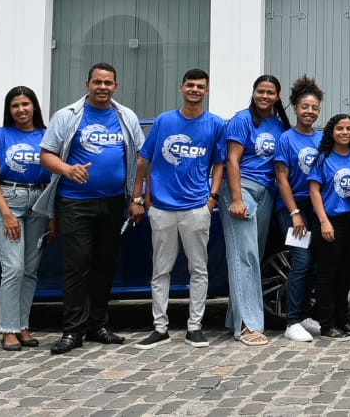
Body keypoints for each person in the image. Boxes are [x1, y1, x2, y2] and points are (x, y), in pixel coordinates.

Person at [36, 62, 145, 355]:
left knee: (104, 265)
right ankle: (73, 331)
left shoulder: (126, 116)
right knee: (76, 266)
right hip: (74, 202)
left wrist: (136, 199)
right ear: (87, 84)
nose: (103, 87)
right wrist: (68, 169)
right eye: (97, 82)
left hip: (112, 202)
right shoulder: (68, 115)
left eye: (108, 83)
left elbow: (138, 159)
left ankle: (98, 325)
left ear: (115, 86)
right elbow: (46, 155)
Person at [132, 69, 225, 350]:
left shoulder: (215, 124)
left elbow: (219, 162)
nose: (195, 90)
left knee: (199, 268)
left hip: (197, 207)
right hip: (161, 206)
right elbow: (143, 159)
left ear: (206, 91)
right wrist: (140, 198)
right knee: (161, 270)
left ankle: (194, 327)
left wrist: (213, 198)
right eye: (190, 85)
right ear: (181, 87)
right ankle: (160, 327)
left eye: (200, 86)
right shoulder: (164, 121)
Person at [222, 71, 291, 345]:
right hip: (244, 190)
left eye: (270, 92)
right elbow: (232, 161)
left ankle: (234, 319)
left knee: (253, 256)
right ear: (253, 93)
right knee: (245, 257)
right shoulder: (242, 120)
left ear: (277, 97)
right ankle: (248, 325)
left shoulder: (277, 124)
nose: (265, 96)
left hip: (268, 193)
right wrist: (237, 199)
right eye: (260, 91)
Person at [0, 86, 51, 351]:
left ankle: (22, 325)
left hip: (40, 201)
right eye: (15, 106)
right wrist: (6, 213)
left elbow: (54, 176)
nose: (21, 110)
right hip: (9, 198)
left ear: (34, 106)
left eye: (25, 104)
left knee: (31, 269)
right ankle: (8, 329)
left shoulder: (46, 136)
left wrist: (52, 214)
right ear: (9, 110)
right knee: (13, 268)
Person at [307, 113, 350, 339]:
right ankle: (327, 323)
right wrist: (323, 221)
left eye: (349, 129)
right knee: (326, 274)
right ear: (332, 132)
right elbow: (314, 190)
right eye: (340, 128)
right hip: (329, 220)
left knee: (347, 273)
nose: (345, 132)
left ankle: (343, 319)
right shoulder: (322, 158)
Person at [273, 75, 324, 343]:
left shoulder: (323, 137)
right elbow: (281, 178)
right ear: (295, 108)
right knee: (301, 261)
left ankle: (305, 316)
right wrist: (294, 214)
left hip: (317, 207)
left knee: (314, 262)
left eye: (314, 107)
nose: (310, 112)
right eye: (305, 107)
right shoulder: (286, 139)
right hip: (293, 207)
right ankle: (292, 321)